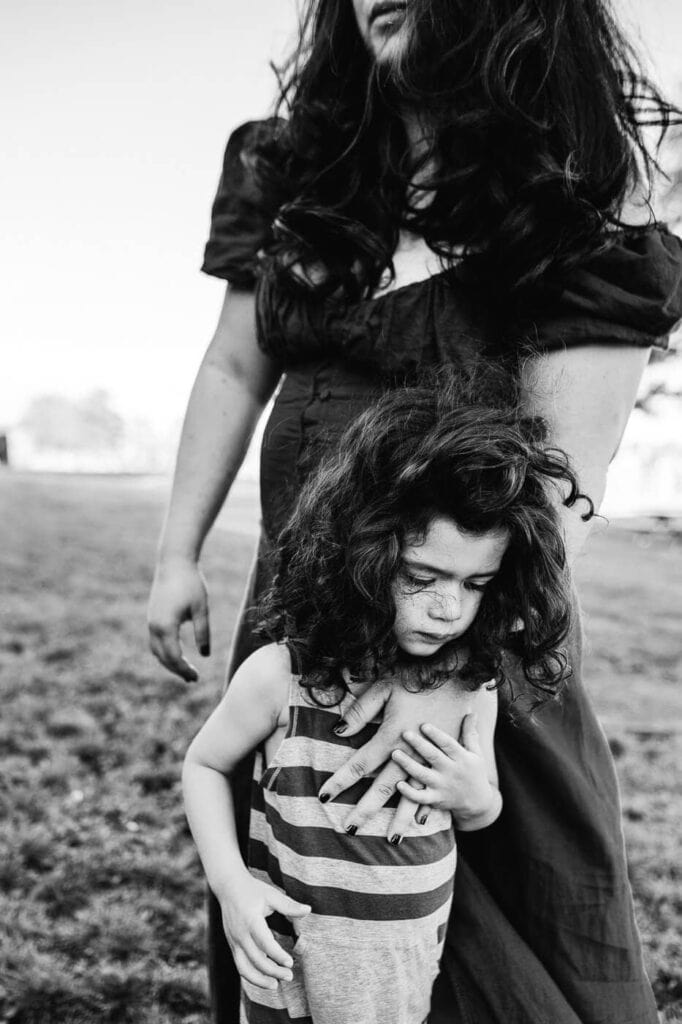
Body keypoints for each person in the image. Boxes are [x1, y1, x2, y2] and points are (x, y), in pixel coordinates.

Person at [148, 1, 682, 1021]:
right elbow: (230, 361)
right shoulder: (298, 174)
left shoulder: (576, 225)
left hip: (472, 646)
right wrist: (177, 551)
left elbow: (558, 494)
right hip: (304, 618)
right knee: (305, 933)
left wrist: (452, 678)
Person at [182, 379, 589, 1024]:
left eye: (476, 583)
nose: (448, 608)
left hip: (404, 975)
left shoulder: (471, 688)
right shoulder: (279, 676)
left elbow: (483, 810)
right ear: (361, 556)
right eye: (421, 578)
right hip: (291, 970)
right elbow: (203, 766)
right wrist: (233, 889)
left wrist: (470, 794)